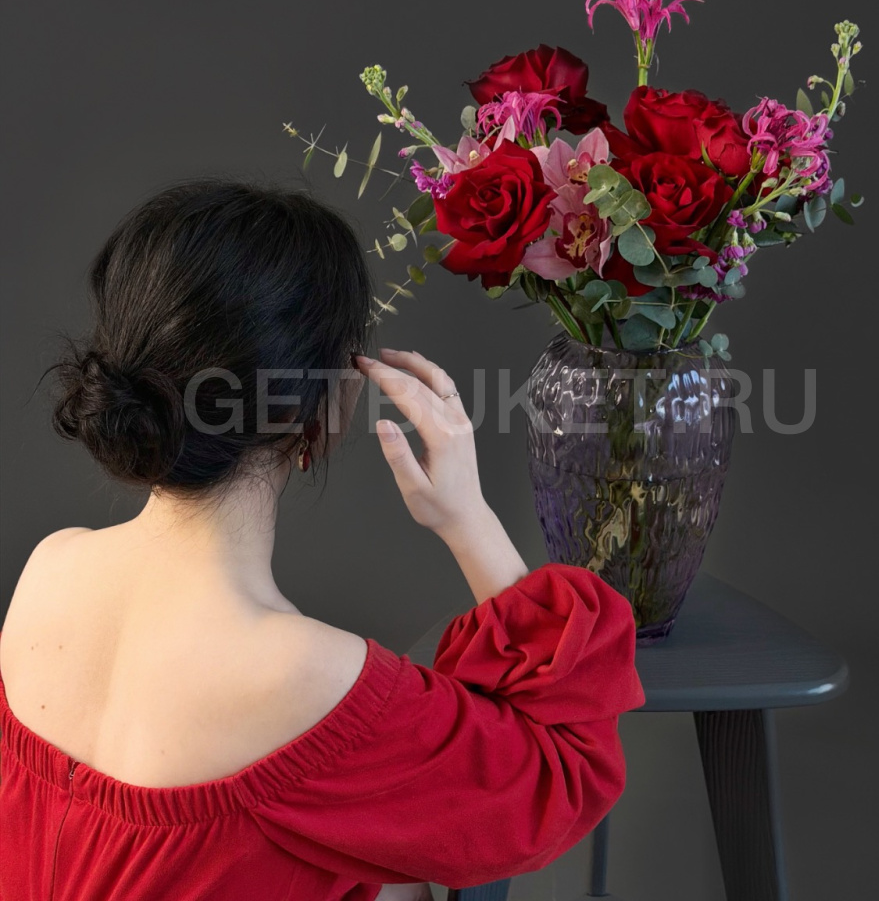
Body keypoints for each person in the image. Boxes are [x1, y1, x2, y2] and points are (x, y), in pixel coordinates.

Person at [0, 178, 646, 900]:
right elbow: (562, 774)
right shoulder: (305, 677)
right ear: (316, 411)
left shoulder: (48, 569)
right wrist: (469, 518)